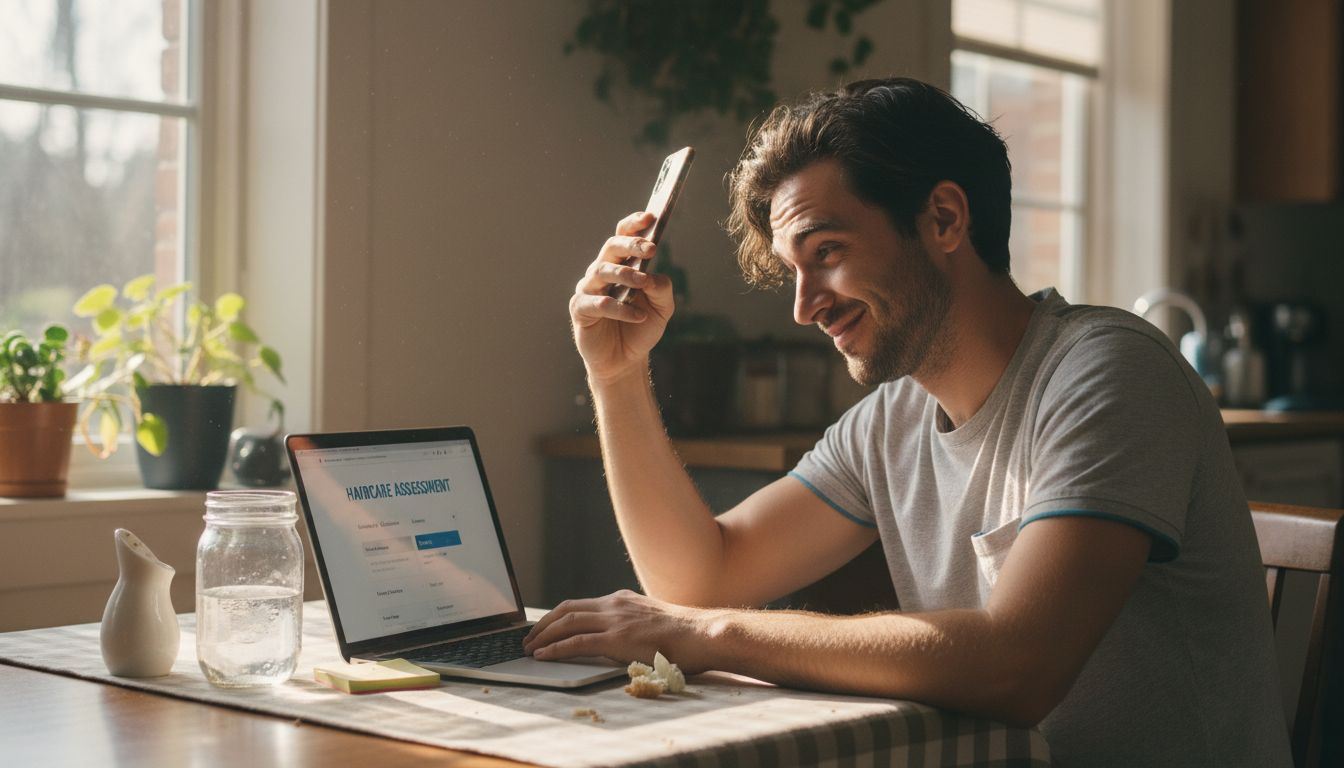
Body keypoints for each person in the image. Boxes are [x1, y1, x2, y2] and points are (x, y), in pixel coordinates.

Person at [524, 77, 1290, 766]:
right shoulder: (893, 420)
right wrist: (617, 373)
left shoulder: (1110, 373)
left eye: (827, 252)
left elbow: (1016, 666)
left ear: (945, 218)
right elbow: (699, 577)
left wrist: (709, 635)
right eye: (794, 269)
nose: (805, 305)